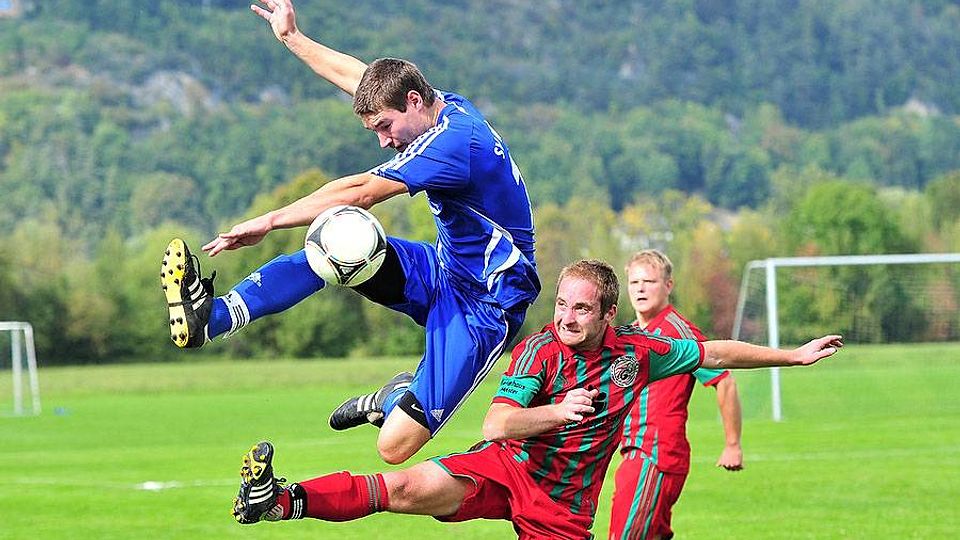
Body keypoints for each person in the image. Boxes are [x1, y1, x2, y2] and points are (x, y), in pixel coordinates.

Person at [160, 0, 539, 465]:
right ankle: (213, 318)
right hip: (443, 268)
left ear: (413, 102)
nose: (384, 140)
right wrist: (292, 38)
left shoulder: (453, 144)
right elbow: (360, 78)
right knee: (340, 242)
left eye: (385, 126)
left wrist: (270, 220)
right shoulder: (443, 106)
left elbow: (361, 192)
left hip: (487, 304)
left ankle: (393, 397)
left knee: (393, 448)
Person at [230, 259, 843, 538]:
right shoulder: (538, 353)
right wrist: (556, 411)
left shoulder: (637, 354)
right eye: (562, 304)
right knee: (406, 488)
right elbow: (497, 424)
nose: (567, 317)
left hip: (563, 508)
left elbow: (714, 353)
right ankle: (281, 500)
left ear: (608, 313)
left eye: (582, 308)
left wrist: (792, 356)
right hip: (507, 467)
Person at [609, 249, 743, 540]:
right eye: (634, 282)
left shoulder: (677, 332)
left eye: (649, 281)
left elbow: (724, 380)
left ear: (668, 285)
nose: (641, 289)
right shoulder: (628, 334)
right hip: (634, 452)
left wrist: (732, 444)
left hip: (655, 455)